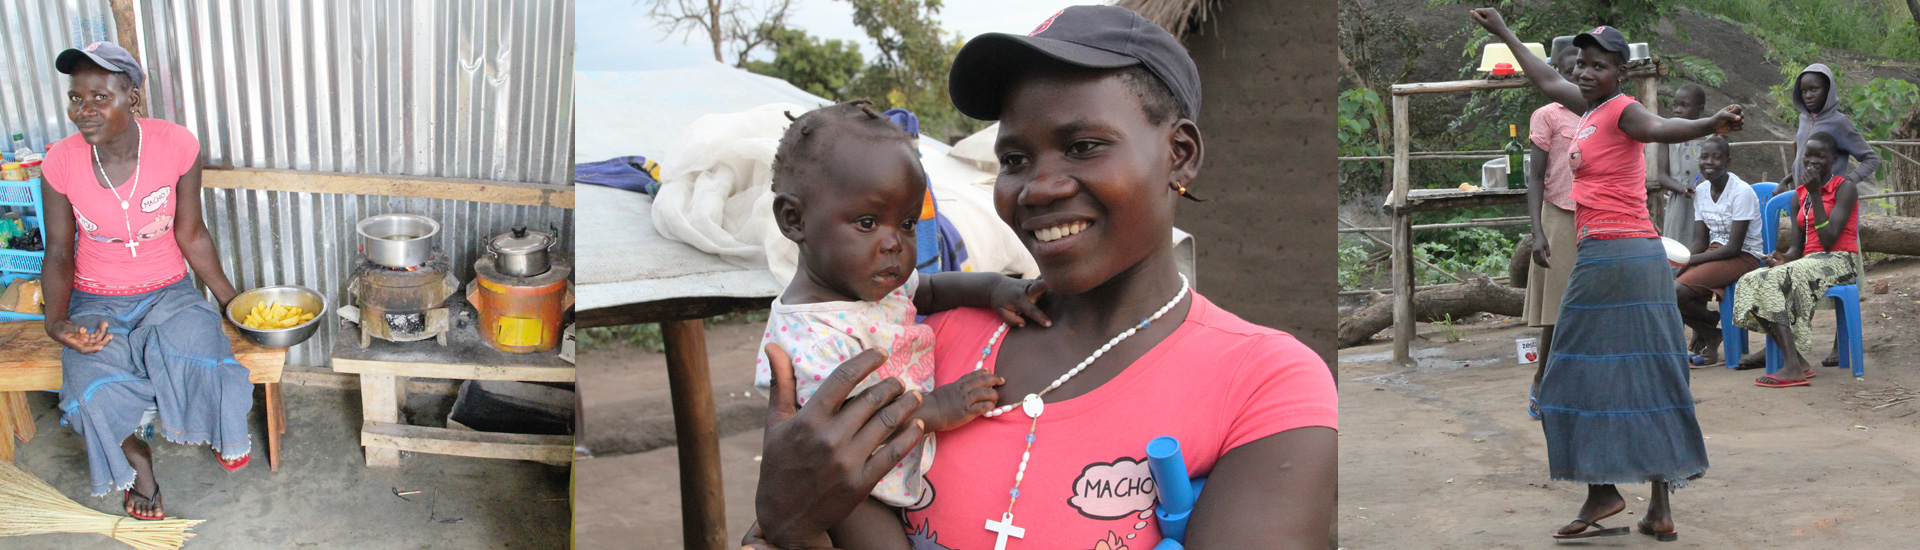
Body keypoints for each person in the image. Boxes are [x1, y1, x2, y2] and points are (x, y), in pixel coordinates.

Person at [744, 6, 1339, 549]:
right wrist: (782, 520)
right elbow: (806, 514)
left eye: (1082, 146)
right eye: (1015, 160)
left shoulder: (1265, 384)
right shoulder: (914, 339)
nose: (1038, 187)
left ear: (1178, 154)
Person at [1472, 10, 1743, 542]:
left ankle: (1603, 491)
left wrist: (1710, 125)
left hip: (1614, 258)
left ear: (1620, 71)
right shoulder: (1588, 108)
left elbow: (1663, 128)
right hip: (1626, 259)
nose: (1584, 72)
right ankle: (1656, 509)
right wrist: (1503, 32)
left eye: (1598, 65)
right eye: (1582, 63)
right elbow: (1545, 78)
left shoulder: (1623, 111)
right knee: (1648, 371)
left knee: (1567, 376)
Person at [754, 98, 1049, 546]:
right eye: (869, 222)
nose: (895, 244)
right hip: (852, 488)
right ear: (794, 220)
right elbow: (854, 422)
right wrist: (942, 406)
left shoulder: (870, 284)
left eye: (907, 223)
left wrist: (993, 288)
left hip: (898, 467)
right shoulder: (807, 335)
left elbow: (927, 289)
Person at [39, 41, 252, 520]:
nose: (84, 110)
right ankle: (139, 465)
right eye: (76, 98)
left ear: (131, 98)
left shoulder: (176, 144)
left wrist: (232, 302)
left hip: (169, 292)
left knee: (209, 359)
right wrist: (57, 323)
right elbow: (59, 251)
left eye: (100, 97)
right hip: (96, 300)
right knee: (88, 385)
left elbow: (191, 233)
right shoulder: (61, 161)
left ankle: (221, 429)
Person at [1735, 63, 1880, 369]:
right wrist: (1790, 181)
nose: (1810, 95)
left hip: (1834, 214)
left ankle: (1834, 346)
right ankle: (1783, 345)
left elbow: (1870, 157)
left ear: (1828, 90)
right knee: (1789, 272)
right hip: (1807, 202)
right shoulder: (1804, 120)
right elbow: (1805, 157)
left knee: (1822, 274)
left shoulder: (1840, 123)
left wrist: (1845, 185)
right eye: (1805, 91)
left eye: (1816, 89)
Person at [1733, 132, 1860, 388]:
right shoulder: (1797, 196)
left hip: (1839, 261)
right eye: (1808, 156)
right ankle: (1797, 360)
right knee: (1750, 280)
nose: (1812, 162)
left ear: (1833, 159)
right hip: (1808, 262)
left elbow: (1828, 240)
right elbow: (1796, 249)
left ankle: (1791, 367)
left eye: (1820, 157)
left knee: (1772, 282)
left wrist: (1815, 194)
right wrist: (1781, 259)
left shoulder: (1845, 188)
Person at [1523, 45, 1583, 420]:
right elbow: (1535, 177)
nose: (1580, 73)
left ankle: (1586, 385)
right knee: (1557, 312)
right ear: (1556, 73)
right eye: (1572, 67)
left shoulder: (1606, 111)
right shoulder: (1547, 116)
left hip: (1600, 217)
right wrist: (1537, 232)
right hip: (1560, 216)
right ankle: (1542, 380)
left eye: (1588, 66)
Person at [1673, 137, 1764, 367]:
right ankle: (1712, 330)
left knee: (1674, 292)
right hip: (1716, 252)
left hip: (1744, 256)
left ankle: (1713, 323)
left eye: (1716, 157)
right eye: (1704, 157)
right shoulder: (1701, 191)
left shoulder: (1740, 192)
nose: (1709, 162)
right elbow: (1700, 241)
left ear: (1728, 161)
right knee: (1666, 287)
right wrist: (1681, 261)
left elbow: (1734, 247)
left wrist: (1693, 260)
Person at [1657, 83, 1709, 243]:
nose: (1677, 110)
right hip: (1679, 204)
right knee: (1677, 245)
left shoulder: (1710, 139)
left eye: (1684, 105)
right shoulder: (1666, 137)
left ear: (1699, 109)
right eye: (1675, 105)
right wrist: (1682, 189)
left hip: (1707, 202)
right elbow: (1661, 176)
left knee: (1704, 243)